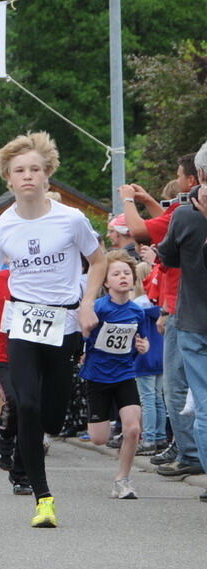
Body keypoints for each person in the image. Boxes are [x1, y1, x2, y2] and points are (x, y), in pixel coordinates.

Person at [0, 132, 105, 528]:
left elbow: (97, 262)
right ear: (8, 179)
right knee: (26, 405)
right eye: (19, 171)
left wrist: (86, 305)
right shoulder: (0, 229)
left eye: (34, 169)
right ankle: (43, 498)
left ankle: (32, 444)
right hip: (23, 323)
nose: (27, 176)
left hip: (63, 323)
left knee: (53, 417)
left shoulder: (72, 219)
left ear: (47, 176)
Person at [119, 153, 200, 473]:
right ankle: (185, 447)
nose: (178, 182)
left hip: (181, 307)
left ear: (192, 180)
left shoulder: (186, 212)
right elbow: (164, 227)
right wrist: (151, 200)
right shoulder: (188, 212)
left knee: (176, 386)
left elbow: (141, 232)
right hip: (185, 305)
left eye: (180, 176)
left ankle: (189, 453)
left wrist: (128, 201)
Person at [78, 250, 149, 499]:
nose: (123, 278)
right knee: (99, 438)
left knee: (132, 429)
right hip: (97, 376)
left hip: (124, 374)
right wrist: (83, 348)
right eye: (116, 274)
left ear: (133, 280)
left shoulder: (137, 312)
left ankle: (123, 480)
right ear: (106, 281)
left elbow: (140, 341)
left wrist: (143, 347)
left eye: (127, 273)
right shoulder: (97, 308)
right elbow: (82, 335)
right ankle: (104, 431)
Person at [158, 140, 207, 494]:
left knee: (202, 401)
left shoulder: (185, 214)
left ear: (199, 175)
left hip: (194, 319)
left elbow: (169, 258)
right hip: (192, 321)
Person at [132, 261, 166, 455]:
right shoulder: (159, 305)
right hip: (160, 356)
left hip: (144, 358)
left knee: (147, 399)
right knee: (158, 398)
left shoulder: (136, 306)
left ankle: (149, 438)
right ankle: (160, 437)